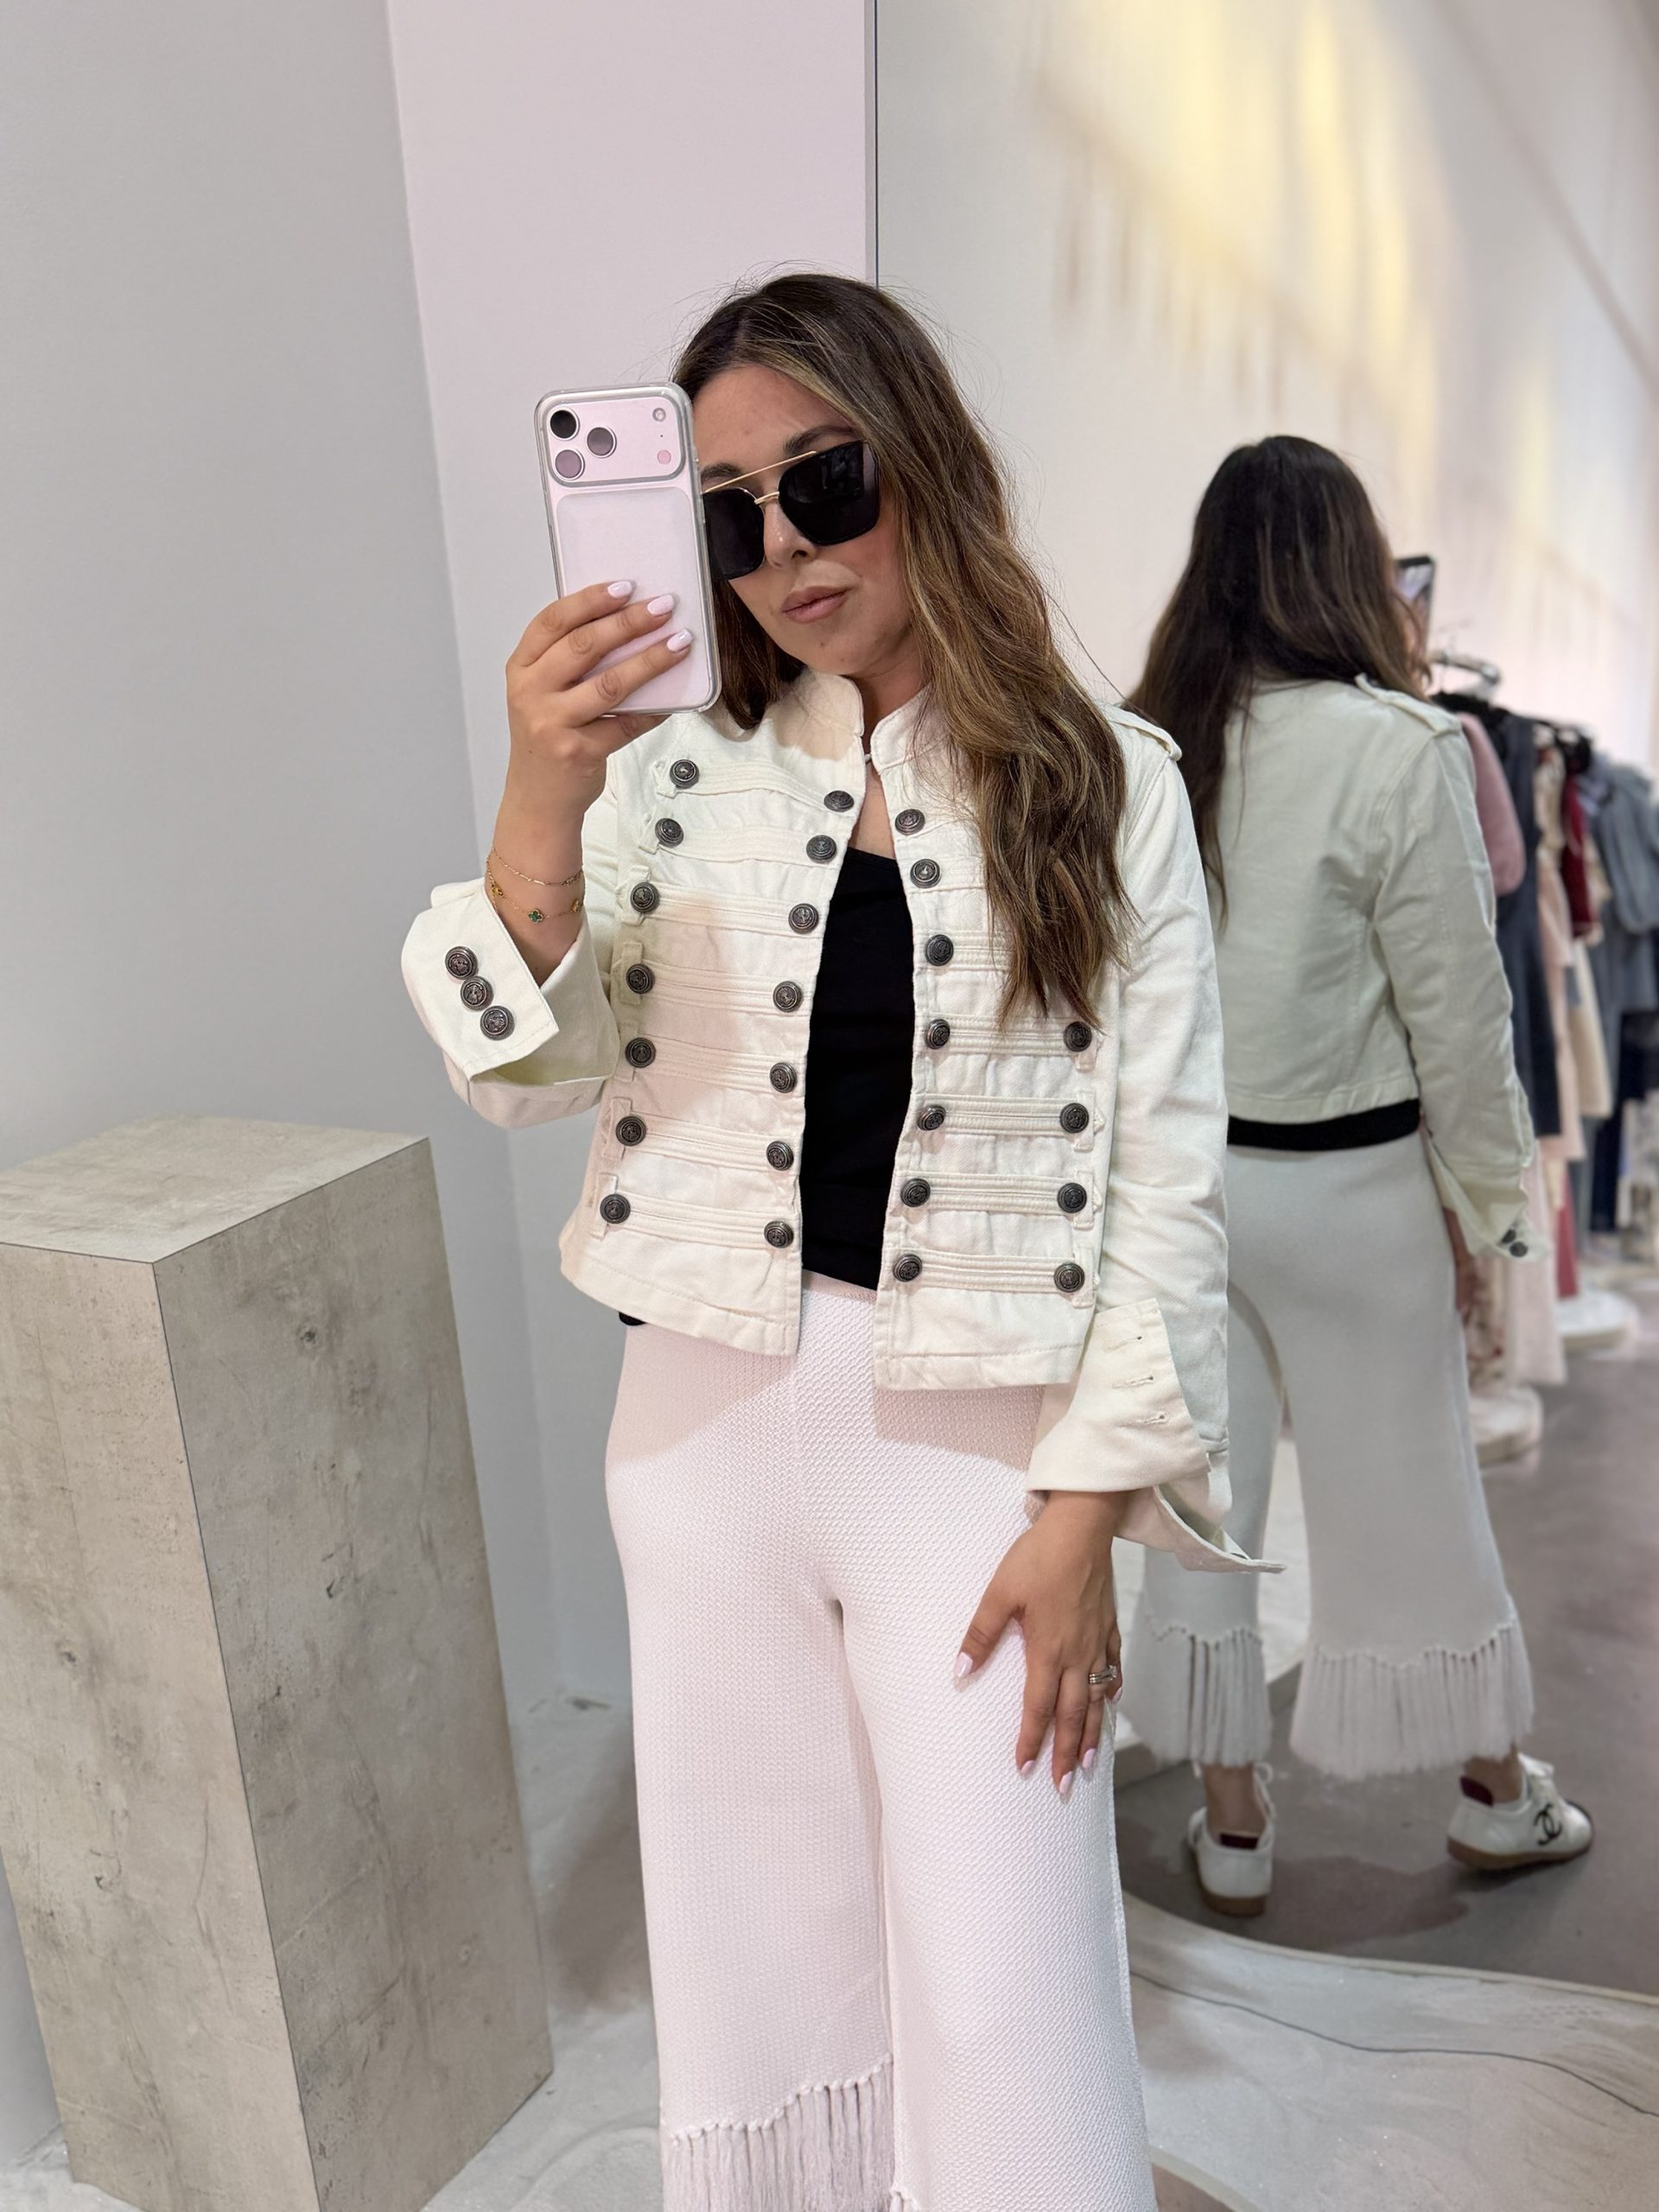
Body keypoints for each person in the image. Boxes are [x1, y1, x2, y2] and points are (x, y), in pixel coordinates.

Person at [403, 273, 1262, 2212]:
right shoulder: (668, 777)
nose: (785, 545)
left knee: (1007, 1980)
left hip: (975, 1459)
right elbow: (520, 1080)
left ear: (922, 463)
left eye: (826, 479)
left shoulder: (1104, 777)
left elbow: (1166, 1177)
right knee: (762, 1957)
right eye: (730, 512)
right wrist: (539, 802)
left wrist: (1087, 1512)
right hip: (700, 1441)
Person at [1123, 435, 1592, 1917]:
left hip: (1191, 1197)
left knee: (1201, 1507)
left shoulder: (1147, 746)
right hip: (1355, 1196)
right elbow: (1458, 1012)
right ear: (1350, 570)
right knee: (1412, 1505)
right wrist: (1494, 1207)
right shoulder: (1404, 747)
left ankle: (1234, 1821)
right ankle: (1495, 1792)